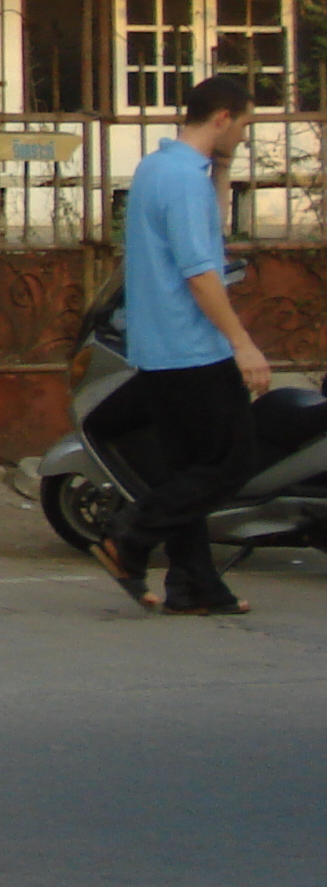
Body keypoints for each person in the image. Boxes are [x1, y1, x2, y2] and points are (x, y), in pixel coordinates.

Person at [89, 75, 265, 617]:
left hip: (156, 347)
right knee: (233, 461)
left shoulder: (159, 168)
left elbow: (205, 234)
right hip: (194, 347)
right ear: (222, 118)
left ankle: (196, 587)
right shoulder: (183, 182)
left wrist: (224, 167)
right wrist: (243, 344)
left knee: (185, 468)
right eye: (244, 125)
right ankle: (132, 533)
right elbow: (200, 270)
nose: (245, 135)